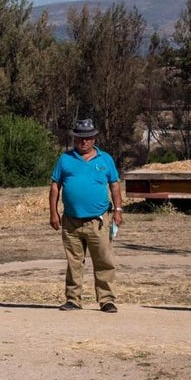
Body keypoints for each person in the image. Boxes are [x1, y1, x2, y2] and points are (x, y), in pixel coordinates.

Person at [49, 118, 123, 313]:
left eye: (88, 138)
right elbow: (55, 186)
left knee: (104, 261)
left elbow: (114, 185)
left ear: (94, 139)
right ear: (75, 139)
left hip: (98, 220)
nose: (84, 142)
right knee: (74, 261)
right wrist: (53, 212)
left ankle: (106, 299)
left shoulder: (105, 159)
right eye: (80, 138)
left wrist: (118, 210)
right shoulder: (65, 159)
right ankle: (73, 299)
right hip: (71, 221)